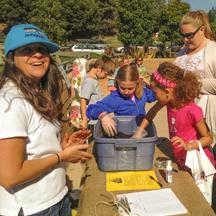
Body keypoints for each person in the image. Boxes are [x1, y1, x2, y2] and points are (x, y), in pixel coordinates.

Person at [0, 23, 92, 216]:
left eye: (42, 50)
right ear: (11, 58)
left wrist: (61, 147)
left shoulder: (37, 93)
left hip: (56, 198)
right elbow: (10, 175)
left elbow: (37, 149)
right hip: (33, 208)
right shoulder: (10, 102)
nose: (38, 55)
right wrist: (61, 157)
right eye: (28, 50)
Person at [134, 62, 215, 169]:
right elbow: (151, 113)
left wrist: (188, 145)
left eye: (155, 93)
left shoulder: (193, 110)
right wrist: (139, 131)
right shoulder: (167, 102)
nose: (153, 96)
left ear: (167, 92)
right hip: (180, 160)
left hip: (198, 164)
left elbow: (209, 139)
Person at [174, 10, 216, 156]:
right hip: (184, 121)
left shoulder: (213, 51)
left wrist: (194, 84)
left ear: (202, 30)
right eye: (183, 35)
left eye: (189, 35)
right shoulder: (180, 54)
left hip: (208, 120)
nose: (185, 40)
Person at [86, 64, 156, 137]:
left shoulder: (143, 92)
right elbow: (90, 109)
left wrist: (148, 84)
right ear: (117, 82)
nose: (126, 92)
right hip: (124, 137)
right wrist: (102, 116)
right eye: (122, 88)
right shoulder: (115, 98)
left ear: (137, 83)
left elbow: (156, 96)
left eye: (130, 88)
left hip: (141, 133)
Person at [79, 55, 115, 129]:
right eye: (106, 73)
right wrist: (84, 119)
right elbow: (83, 100)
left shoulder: (93, 80)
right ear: (99, 68)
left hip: (96, 117)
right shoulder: (90, 81)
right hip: (92, 120)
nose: (105, 77)